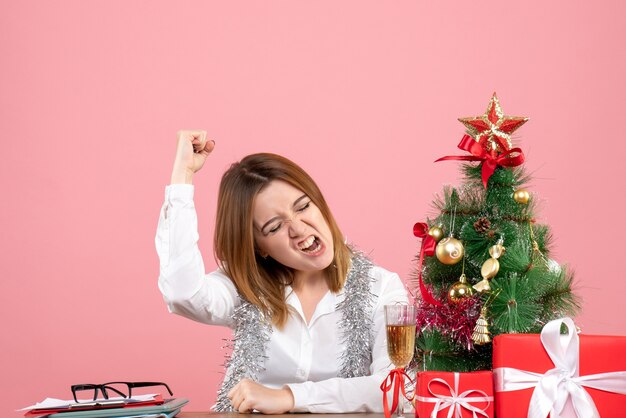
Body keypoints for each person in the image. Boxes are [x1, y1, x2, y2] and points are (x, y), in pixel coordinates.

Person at [156, 130, 408, 414]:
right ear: (259, 247)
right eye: (274, 227)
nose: (299, 230)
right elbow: (181, 293)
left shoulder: (382, 287)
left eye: (303, 207)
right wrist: (182, 178)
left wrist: (290, 397)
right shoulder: (242, 286)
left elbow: (397, 386)